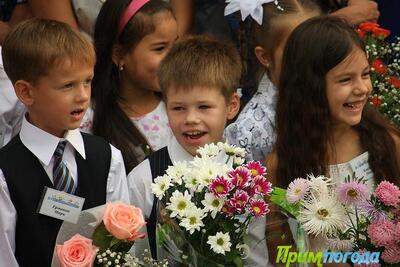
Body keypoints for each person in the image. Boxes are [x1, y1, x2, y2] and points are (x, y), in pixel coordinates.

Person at [266, 15, 400, 262]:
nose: (362, 88)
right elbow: (279, 248)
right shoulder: (280, 165)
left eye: (365, 74)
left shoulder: (388, 143)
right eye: (345, 79)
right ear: (309, 87)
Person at [0, 18, 130, 266]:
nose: (82, 96)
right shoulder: (5, 174)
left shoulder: (107, 158)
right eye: (67, 85)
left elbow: (123, 245)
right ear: (26, 92)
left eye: (87, 81)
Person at [127, 35, 243, 261]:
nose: (191, 119)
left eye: (204, 107)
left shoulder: (244, 176)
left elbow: (255, 257)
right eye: (178, 108)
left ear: (231, 106)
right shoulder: (144, 178)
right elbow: (133, 255)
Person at [80, 0, 178, 174]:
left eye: (175, 46)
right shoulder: (88, 118)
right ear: (119, 55)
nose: (173, 58)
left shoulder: (181, 109)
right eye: (160, 48)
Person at [225, 0, 323, 162]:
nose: (309, 55)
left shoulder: (332, 97)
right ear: (264, 56)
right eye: (295, 48)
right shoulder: (248, 131)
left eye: (316, 44)